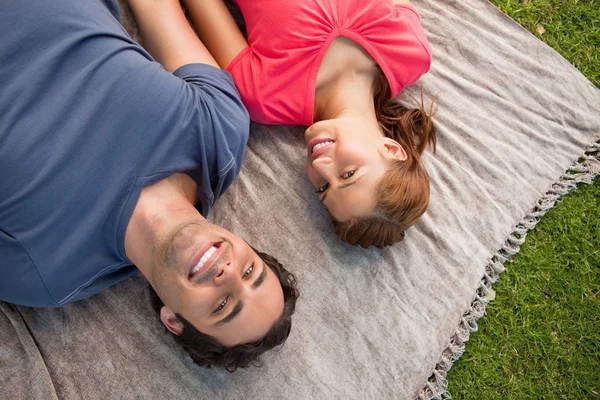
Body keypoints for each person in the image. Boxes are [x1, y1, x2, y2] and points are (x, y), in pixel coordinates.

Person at [0, 0, 298, 370]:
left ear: (173, 320)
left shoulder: (45, 275)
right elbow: (157, 12)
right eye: (250, 272)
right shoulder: (221, 133)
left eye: (222, 306)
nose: (228, 274)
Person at [173, 0, 437, 248]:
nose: (320, 167)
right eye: (348, 174)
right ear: (391, 149)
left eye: (323, 187)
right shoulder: (410, 53)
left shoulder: (266, 97)